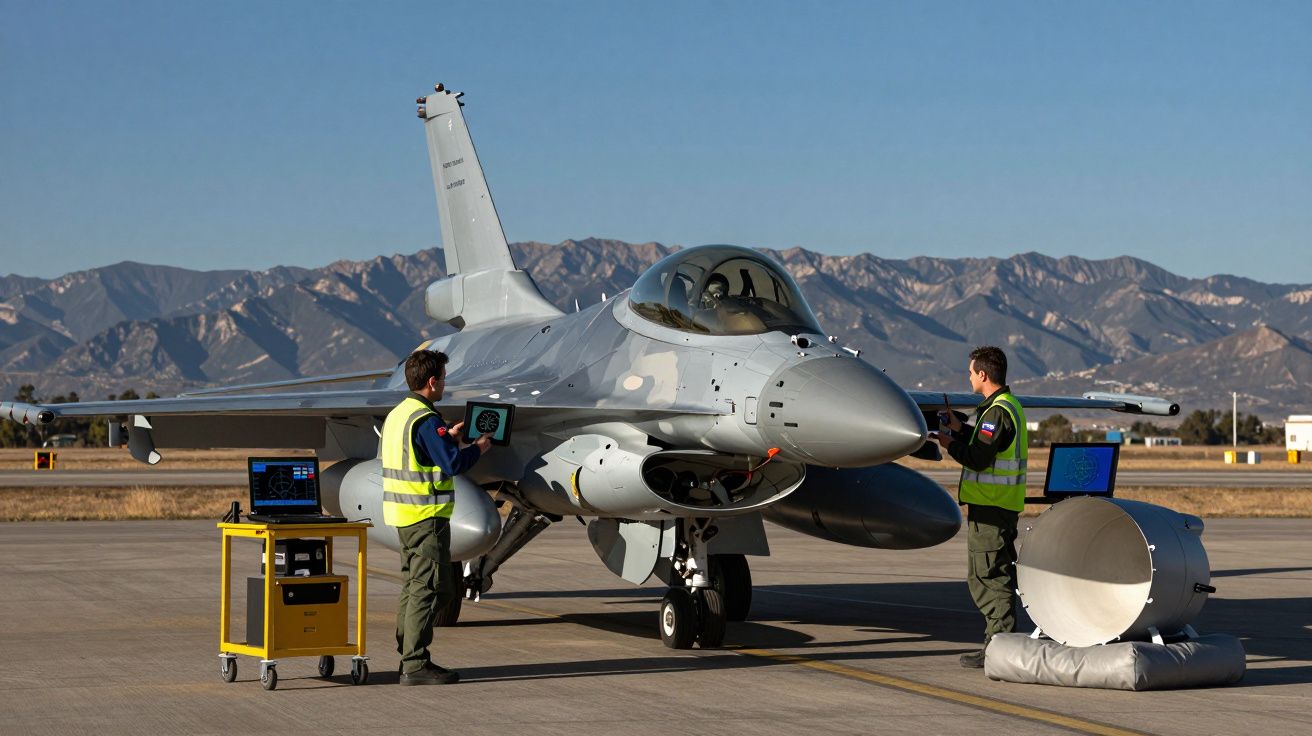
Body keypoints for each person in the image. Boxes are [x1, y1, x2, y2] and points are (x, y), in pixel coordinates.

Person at [382, 349, 491, 685]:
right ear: (432, 382)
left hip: (404, 516)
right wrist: (479, 448)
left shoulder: (400, 414)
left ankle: (408, 654)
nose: (445, 384)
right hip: (426, 517)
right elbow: (453, 465)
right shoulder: (426, 420)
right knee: (430, 589)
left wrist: (450, 439)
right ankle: (414, 663)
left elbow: (420, 454)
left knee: (414, 586)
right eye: (443, 378)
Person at [934, 345, 1028, 669]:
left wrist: (950, 444)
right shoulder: (1005, 407)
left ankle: (1001, 647)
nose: (969, 377)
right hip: (997, 508)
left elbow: (979, 458)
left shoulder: (997, 412)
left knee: (989, 577)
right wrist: (962, 430)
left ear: (983, 375)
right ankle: (996, 645)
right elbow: (989, 443)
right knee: (989, 574)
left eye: (971, 372)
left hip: (991, 509)